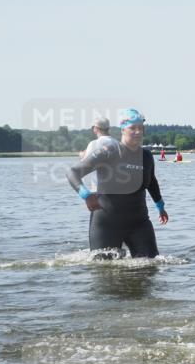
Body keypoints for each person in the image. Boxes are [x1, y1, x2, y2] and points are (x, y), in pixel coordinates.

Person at [66, 109, 169, 258]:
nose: (138, 132)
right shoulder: (109, 151)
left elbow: (151, 181)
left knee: (151, 266)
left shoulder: (146, 156)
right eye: (132, 128)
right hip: (107, 224)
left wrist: (160, 206)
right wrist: (86, 195)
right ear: (123, 129)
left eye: (141, 128)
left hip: (139, 223)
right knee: (104, 272)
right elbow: (72, 172)